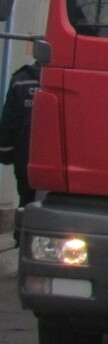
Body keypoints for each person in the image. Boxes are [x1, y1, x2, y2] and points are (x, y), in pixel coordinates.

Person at [0, 62, 41, 239]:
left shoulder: (20, 80)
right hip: (59, 163)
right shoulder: (67, 77)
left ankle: (21, 240)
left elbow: (8, 121)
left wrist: (5, 152)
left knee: (25, 202)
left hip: (25, 159)